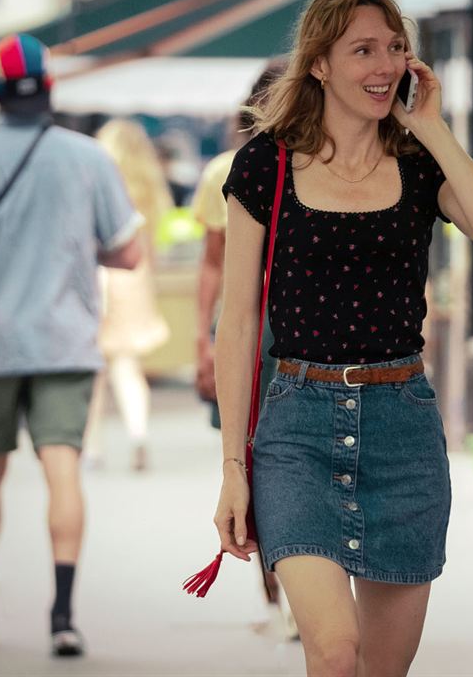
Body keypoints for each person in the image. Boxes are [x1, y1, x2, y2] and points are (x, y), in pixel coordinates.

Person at [211, 0, 473, 676]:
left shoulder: (417, 167)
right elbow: (236, 325)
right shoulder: (266, 165)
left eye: (394, 48)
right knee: (335, 651)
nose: (384, 64)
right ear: (319, 63)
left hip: (401, 430)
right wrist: (235, 468)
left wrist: (433, 129)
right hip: (297, 429)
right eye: (363, 50)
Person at [0, 33, 142, 657]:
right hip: (65, 340)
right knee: (63, 471)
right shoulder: (88, 158)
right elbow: (128, 251)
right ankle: (63, 615)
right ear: (49, 88)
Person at [190, 58, 299, 639]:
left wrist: (201, 342)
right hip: (264, 328)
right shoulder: (236, 171)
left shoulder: (222, 168)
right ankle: (285, 597)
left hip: (264, 330)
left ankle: (281, 598)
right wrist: (208, 342)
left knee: (262, 456)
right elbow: (215, 267)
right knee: (266, 457)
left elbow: (210, 269)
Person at [85, 118, 172, 471]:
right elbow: (151, 244)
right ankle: (138, 434)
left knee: (93, 367)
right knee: (126, 364)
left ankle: (91, 448)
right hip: (136, 277)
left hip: (100, 274)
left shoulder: (97, 180)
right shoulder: (149, 186)